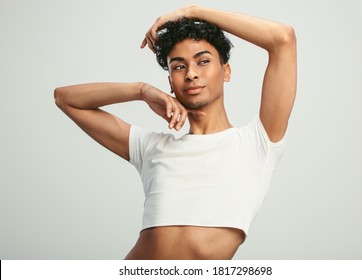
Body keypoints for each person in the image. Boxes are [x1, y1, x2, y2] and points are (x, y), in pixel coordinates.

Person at [54, 5, 297, 260]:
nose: (191, 74)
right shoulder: (151, 148)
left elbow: (283, 39)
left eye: (203, 61)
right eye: (179, 67)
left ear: (226, 71)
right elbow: (65, 98)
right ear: (170, 82)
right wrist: (141, 91)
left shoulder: (256, 144)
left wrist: (192, 11)